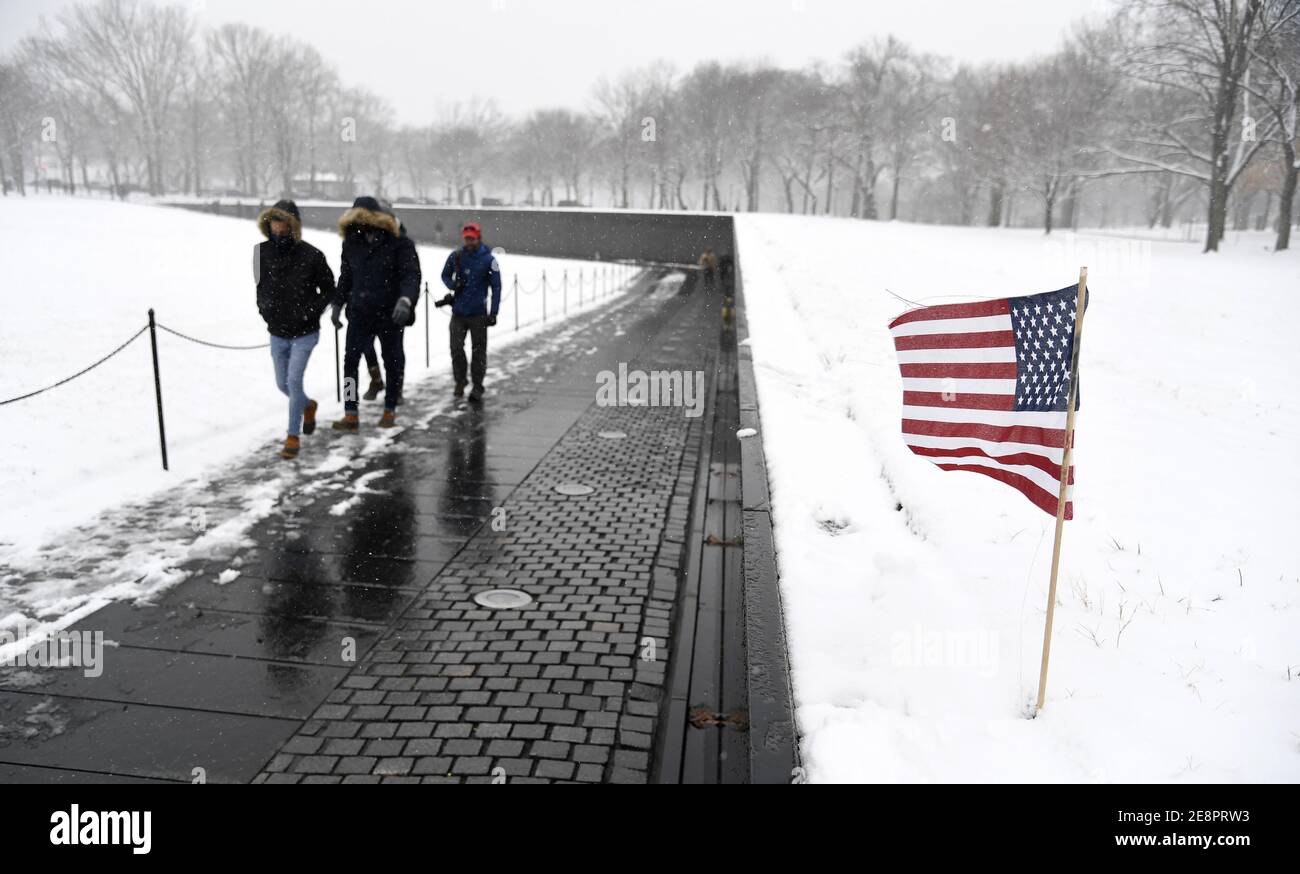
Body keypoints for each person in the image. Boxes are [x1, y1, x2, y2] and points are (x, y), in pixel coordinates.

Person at [254, 199, 336, 459]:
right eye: (274, 220)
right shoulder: (260, 252)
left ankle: (292, 436)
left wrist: (310, 312)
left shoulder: (311, 254)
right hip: (277, 331)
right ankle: (308, 406)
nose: (278, 226)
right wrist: (264, 309)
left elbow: (329, 289)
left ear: (293, 224)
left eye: (283, 221)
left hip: (305, 332)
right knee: (283, 384)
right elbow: (260, 287)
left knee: (293, 381)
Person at [331, 196, 421, 430]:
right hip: (360, 313)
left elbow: (410, 275)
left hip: (390, 314)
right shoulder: (351, 243)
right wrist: (338, 304)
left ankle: (390, 408)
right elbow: (346, 276)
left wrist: (405, 300)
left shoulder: (400, 243)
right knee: (350, 362)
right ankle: (351, 411)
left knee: (392, 361)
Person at [439, 222, 501, 403]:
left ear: (478, 238)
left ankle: (477, 386)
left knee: (478, 352)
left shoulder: (489, 260)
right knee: (456, 349)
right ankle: (460, 380)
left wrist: (494, 312)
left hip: (478, 314)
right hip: (458, 312)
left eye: (472, 239)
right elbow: (444, 274)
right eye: (466, 238)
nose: (469, 242)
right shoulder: (456, 256)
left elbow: (496, 287)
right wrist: (452, 285)